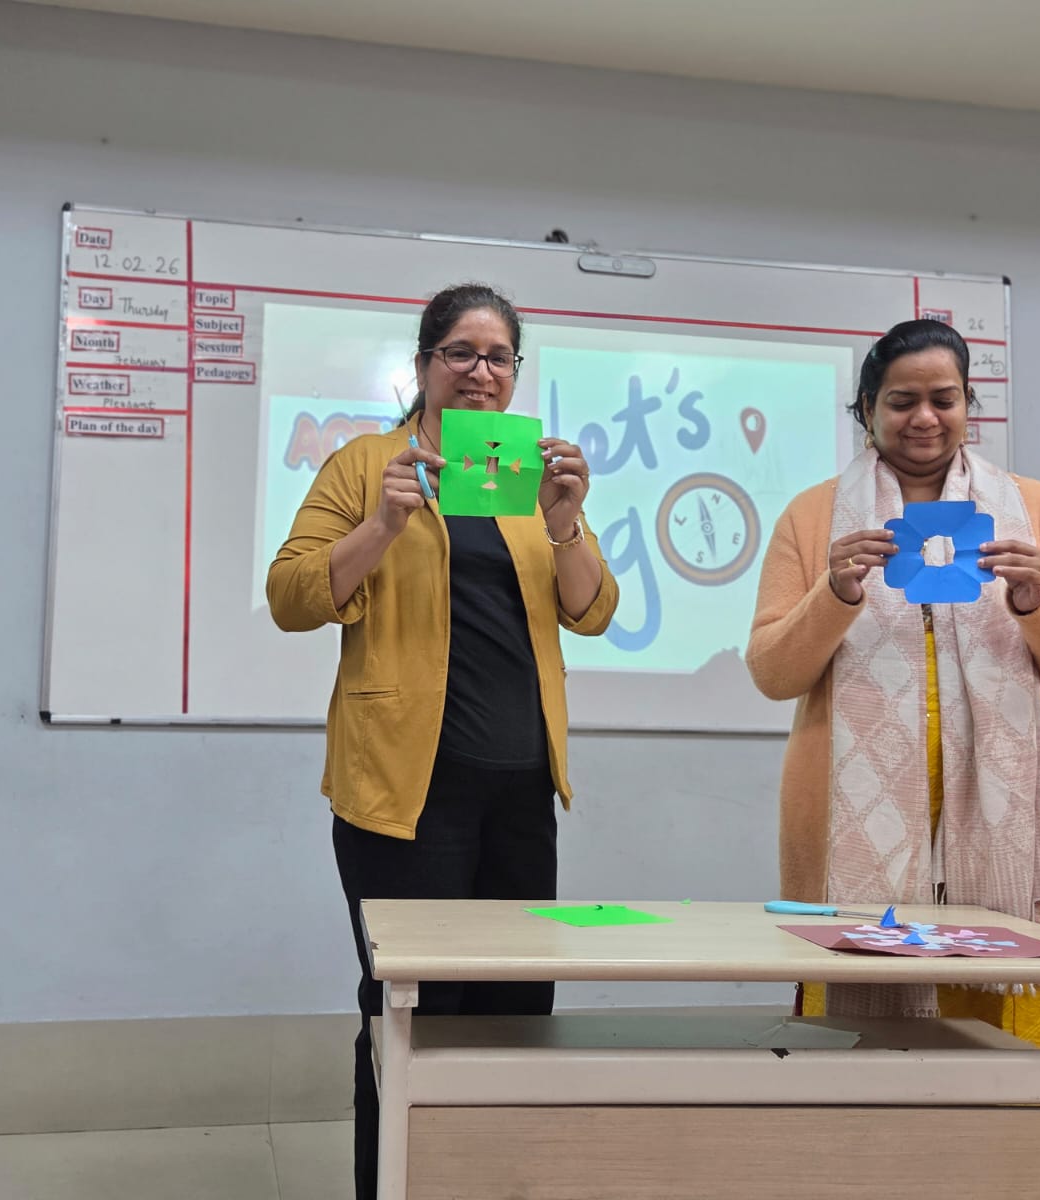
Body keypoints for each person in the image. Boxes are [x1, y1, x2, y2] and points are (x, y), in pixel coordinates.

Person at [265, 282, 619, 1199]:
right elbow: (291, 597)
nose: (480, 371)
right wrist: (383, 524)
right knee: (411, 1015)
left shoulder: (527, 477)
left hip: (521, 794)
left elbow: (592, 609)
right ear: (423, 364)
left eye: (499, 357)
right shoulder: (364, 465)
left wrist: (565, 523)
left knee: (515, 1014)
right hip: (404, 795)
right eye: (460, 352)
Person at [745, 319, 1040, 1039]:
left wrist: (1037, 606)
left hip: (1004, 824)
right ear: (867, 409)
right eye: (901, 401)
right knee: (863, 1043)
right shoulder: (814, 515)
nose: (924, 417)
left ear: (967, 404)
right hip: (850, 824)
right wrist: (835, 594)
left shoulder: (1034, 510)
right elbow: (772, 672)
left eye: (944, 399)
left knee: (1005, 1046)